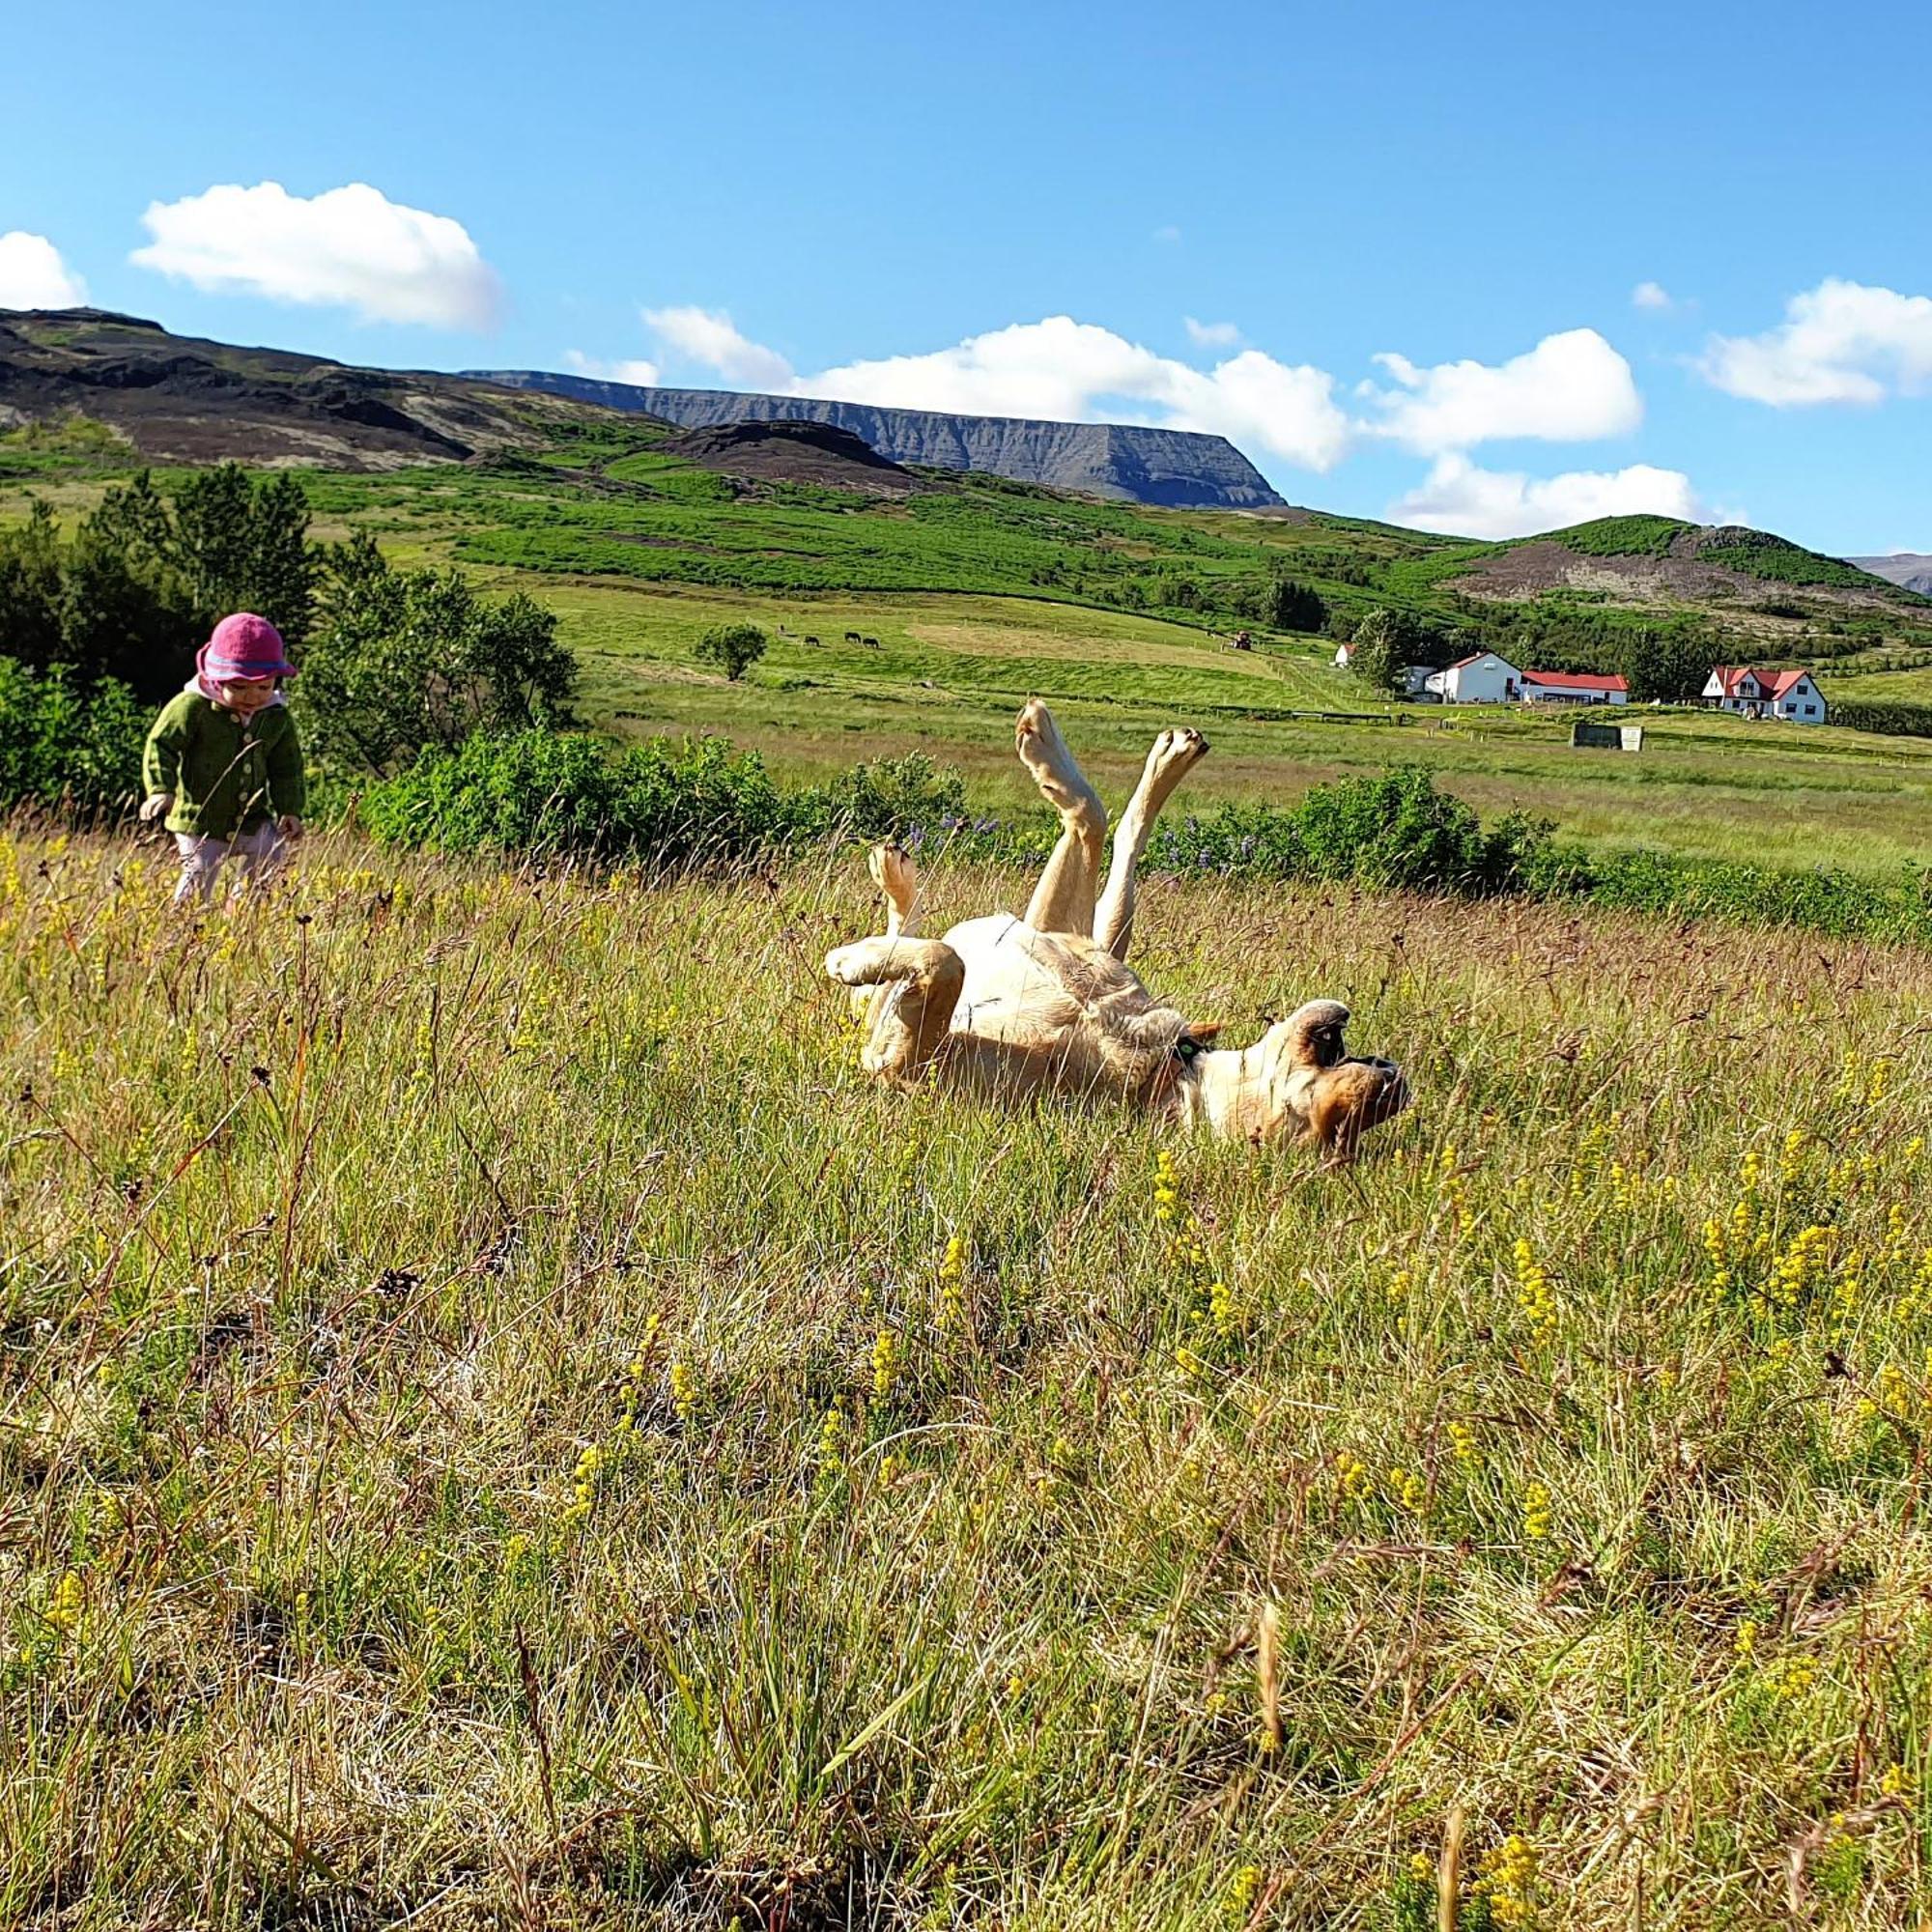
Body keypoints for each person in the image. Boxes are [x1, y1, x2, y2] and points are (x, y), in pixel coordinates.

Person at [140, 612, 306, 908]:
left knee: (272, 851)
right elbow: (161, 744)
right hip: (199, 819)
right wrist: (160, 789)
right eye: (239, 687)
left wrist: (290, 809)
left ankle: (243, 912)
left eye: (263, 687)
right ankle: (184, 930)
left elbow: (287, 766)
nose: (252, 696)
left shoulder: (276, 715)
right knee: (199, 875)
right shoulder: (193, 706)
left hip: (252, 818)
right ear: (216, 679)